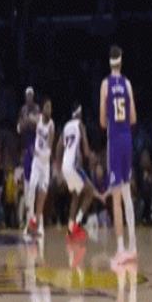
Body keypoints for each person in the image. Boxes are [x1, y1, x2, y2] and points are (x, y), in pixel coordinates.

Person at [99, 45, 137, 266]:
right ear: (121, 62)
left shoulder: (105, 84)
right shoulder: (127, 83)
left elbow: (102, 122)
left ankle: (121, 249)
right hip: (127, 139)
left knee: (116, 198)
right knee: (127, 193)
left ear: (109, 62)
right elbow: (133, 118)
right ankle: (133, 246)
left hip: (114, 141)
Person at [56, 103, 94, 242]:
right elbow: (86, 150)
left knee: (76, 196)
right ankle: (77, 224)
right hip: (74, 165)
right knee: (90, 192)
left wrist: (58, 169)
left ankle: (70, 230)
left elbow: (58, 147)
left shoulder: (66, 126)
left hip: (65, 166)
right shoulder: (80, 125)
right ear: (79, 113)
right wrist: (91, 156)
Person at [26, 98, 55, 237]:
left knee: (42, 197)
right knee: (31, 187)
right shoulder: (38, 118)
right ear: (43, 109)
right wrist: (26, 117)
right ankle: (30, 221)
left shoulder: (51, 125)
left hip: (45, 162)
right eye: (47, 107)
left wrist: (40, 153)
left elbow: (49, 147)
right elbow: (29, 118)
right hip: (36, 162)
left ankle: (39, 225)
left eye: (50, 107)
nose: (49, 109)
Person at [17, 87, 40, 231]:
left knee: (37, 186)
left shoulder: (37, 109)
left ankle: (36, 219)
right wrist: (26, 122)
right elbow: (19, 127)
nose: (29, 97)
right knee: (27, 186)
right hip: (27, 151)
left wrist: (30, 121)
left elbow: (38, 124)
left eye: (31, 95)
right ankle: (28, 219)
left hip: (36, 151)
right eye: (27, 95)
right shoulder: (23, 110)